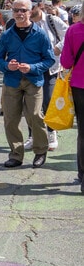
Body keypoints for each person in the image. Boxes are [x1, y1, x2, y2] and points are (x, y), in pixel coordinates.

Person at [0, 0, 55, 169]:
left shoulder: (40, 34)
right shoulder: (7, 35)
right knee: (11, 119)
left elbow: (49, 59)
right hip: (12, 81)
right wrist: (7, 66)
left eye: (23, 10)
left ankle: (40, 151)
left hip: (33, 81)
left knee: (35, 116)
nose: (19, 13)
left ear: (30, 12)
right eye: (16, 10)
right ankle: (16, 154)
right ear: (12, 12)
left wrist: (32, 67)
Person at [23, 0, 68, 151]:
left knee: (48, 101)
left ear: (40, 5)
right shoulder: (23, 23)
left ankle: (51, 133)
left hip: (50, 69)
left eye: (31, 6)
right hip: (29, 69)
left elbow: (68, 34)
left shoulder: (51, 20)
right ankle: (32, 136)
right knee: (30, 105)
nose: (28, 10)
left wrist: (59, 48)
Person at [60, 11, 84, 191]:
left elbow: (66, 62)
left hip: (79, 85)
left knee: (83, 132)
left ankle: (82, 175)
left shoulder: (74, 30)